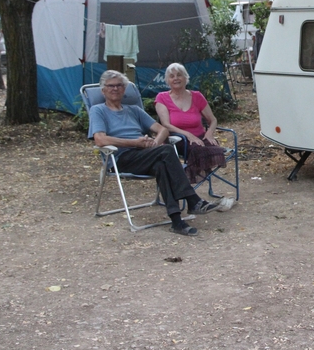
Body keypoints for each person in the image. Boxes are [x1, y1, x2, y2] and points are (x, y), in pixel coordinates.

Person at [87, 70, 220, 236]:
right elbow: (100, 140)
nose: (115, 89)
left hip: (146, 155)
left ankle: (177, 221)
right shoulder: (98, 110)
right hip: (121, 158)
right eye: (111, 86)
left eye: (119, 85)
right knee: (166, 151)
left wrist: (154, 144)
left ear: (124, 89)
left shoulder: (134, 110)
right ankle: (192, 200)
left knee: (161, 165)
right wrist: (135, 143)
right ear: (103, 90)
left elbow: (163, 129)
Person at [155, 63, 229, 187]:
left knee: (215, 149)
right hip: (177, 139)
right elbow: (166, 125)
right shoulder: (162, 98)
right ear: (168, 80)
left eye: (179, 75)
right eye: (172, 76)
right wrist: (188, 135)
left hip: (200, 137)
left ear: (185, 78)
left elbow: (213, 119)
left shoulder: (197, 96)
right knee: (197, 150)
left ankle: (189, 182)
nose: (176, 78)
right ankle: (188, 184)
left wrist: (209, 132)